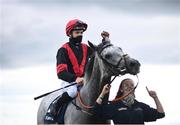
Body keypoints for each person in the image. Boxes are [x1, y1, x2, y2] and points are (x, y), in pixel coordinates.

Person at [44, 19, 109, 122]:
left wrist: (105, 41)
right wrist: (75, 78)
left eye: (81, 32)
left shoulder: (86, 48)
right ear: (70, 34)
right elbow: (61, 73)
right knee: (73, 91)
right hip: (69, 82)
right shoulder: (63, 50)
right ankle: (54, 107)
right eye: (77, 32)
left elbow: (99, 54)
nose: (80, 35)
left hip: (85, 81)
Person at [94, 78, 165, 124]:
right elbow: (96, 110)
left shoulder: (140, 106)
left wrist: (155, 98)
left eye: (132, 85)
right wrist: (103, 93)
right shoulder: (114, 106)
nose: (130, 87)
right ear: (121, 89)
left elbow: (160, 114)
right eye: (126, 85)